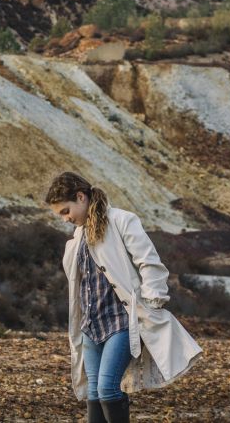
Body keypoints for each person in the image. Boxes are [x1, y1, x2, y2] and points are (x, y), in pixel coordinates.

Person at [45, 172, 202, 423]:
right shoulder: (76, 239)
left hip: (121, 321)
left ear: (80, 197)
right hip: (90, 325)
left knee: (108, 388)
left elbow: (149, 263)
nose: (65, 219)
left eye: (66, 211)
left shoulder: (122, 221)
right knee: (93, 393)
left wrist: (151, 303)